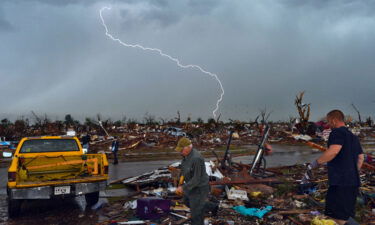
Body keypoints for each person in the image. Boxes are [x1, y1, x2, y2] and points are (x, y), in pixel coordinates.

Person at [305, 110, 364, 225]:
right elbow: (360, 158)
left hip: (340, 182)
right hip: (353, 182)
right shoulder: (353, 136)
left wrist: (316, 163)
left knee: (337, 217)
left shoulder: (336, 133)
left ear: (333, 120)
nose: (328, 124)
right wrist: (352, 173)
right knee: (344, 214)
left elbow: (334, 151)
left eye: (328, 121)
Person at [174, 137, 218, 225]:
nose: (180, 152)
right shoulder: (186, 156)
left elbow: (197, 179)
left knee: (196, 213)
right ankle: (213, 206)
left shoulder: (196, 158)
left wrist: (183, 187)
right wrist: (181, 180)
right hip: (191, 185)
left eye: (181, 150)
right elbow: (184, 168)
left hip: (199, 187)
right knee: (187, 201)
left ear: (188, 148)